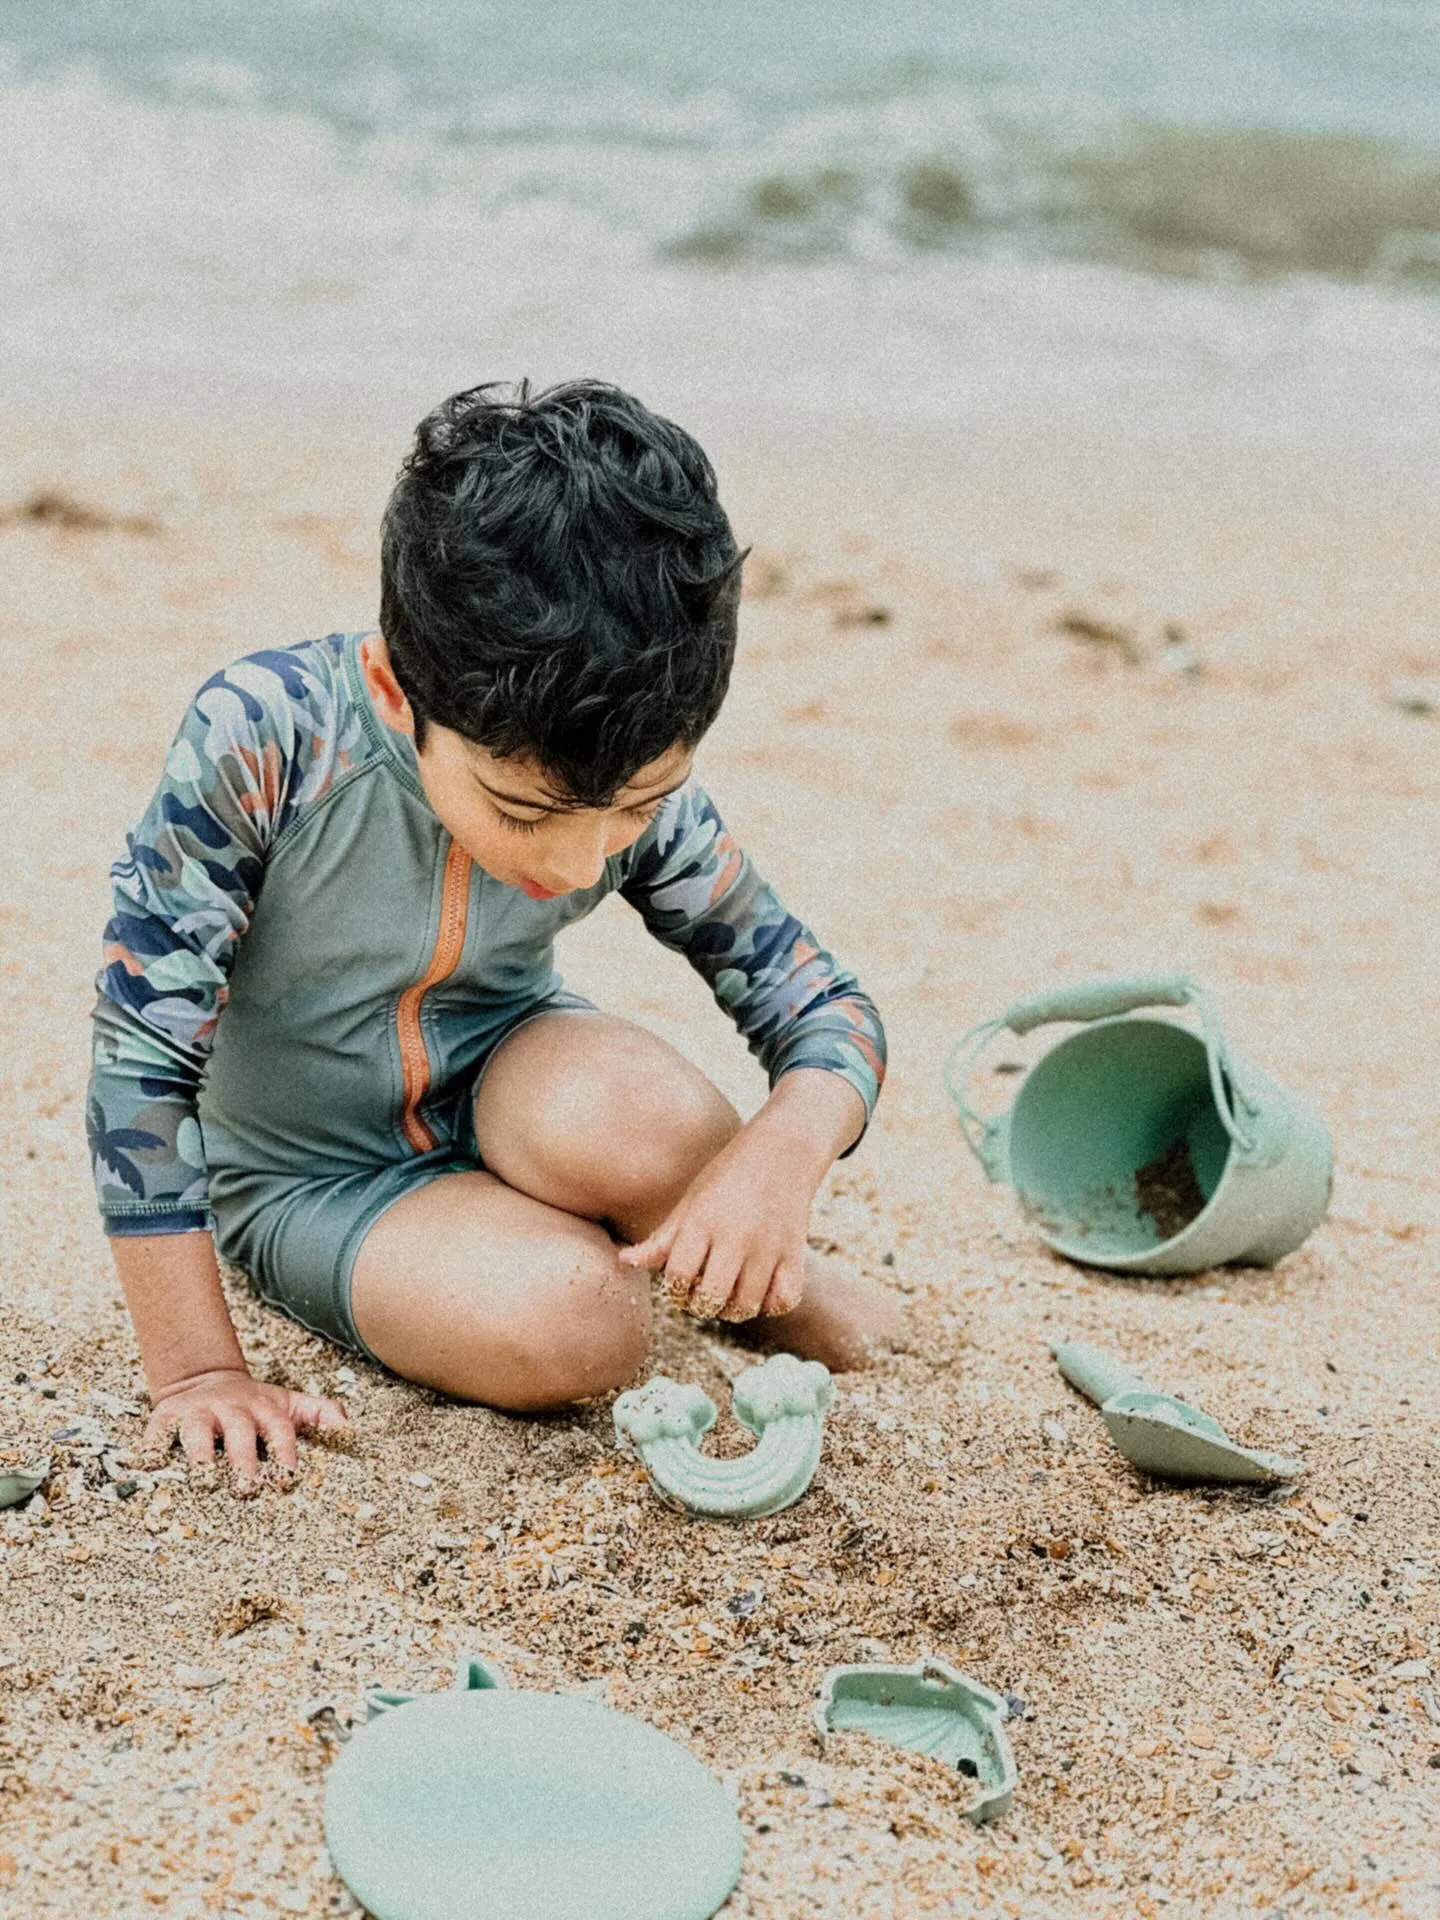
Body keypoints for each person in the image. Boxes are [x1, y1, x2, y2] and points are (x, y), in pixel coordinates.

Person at [88, 379, 898, 1492]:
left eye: (642, 806)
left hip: (510, 1073)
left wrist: (781, 1155)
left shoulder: (618, 763)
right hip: (309, 1177)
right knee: (579, 1324)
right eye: (524, 810)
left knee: (662, 1124)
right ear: (392, 685)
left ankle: (755, 1274)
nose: (581, 858)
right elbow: (141, 1062)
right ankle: (607, 1265)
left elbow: (824, 1008)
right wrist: (193, 1372)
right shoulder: (265, 739)